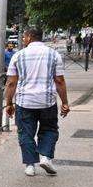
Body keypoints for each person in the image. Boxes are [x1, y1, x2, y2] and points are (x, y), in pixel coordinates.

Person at [5, 26, 70, 177]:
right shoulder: (54, 55)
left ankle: (29, 166)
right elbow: (59, 81)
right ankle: (46, 157)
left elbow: (11, 83)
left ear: (28, 37)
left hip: (24, 101)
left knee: (25, 133)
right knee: (49, 129)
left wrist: (9, 103)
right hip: (47, 101)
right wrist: (65, 102)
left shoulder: (18, 56)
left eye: (24, 36)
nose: (22, 39)